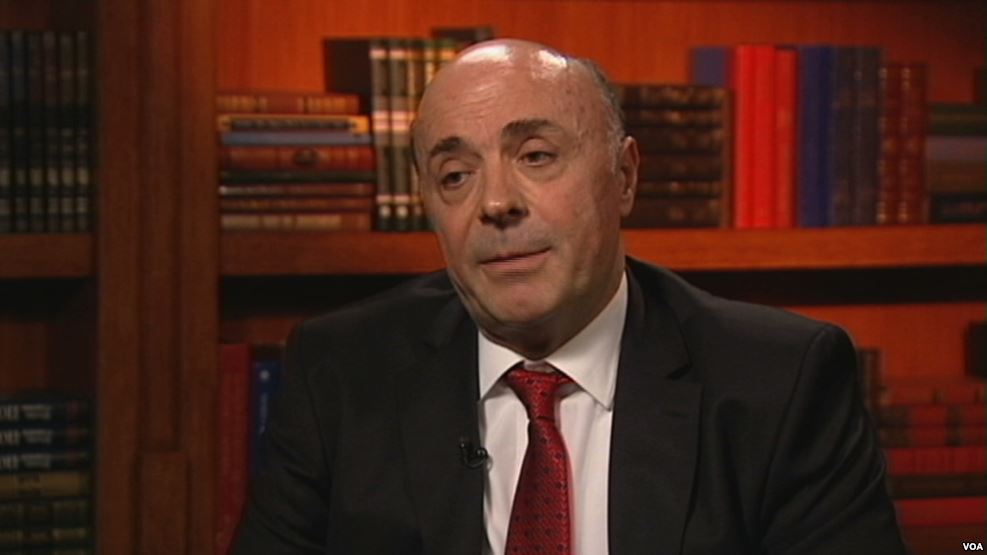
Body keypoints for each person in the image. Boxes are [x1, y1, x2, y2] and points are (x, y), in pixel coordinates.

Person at [233, 39, 906, 554]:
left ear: (623, 177)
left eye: (535, 156)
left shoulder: (778, 381)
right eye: (456, 174)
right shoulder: (341, 370)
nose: (495, 202)